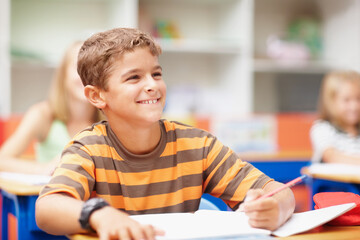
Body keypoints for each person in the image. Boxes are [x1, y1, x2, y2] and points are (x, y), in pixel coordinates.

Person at [35, 28, 295, 240]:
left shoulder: (197, 145)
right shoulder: (88, 148)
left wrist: (277, 207)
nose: (152, 85)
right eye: (134, 78)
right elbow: (47, 209)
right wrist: (99, 215)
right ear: (97, 95)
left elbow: (279, 192)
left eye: (156, 74)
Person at [0, 41, 103, 175]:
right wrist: (44, 168)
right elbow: (2, 160)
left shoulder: (109, 119)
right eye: (78, 68)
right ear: (63, 75)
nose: (86, 77)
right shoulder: (42, 114)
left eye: (94, 69)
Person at [310, 70, 360, 164]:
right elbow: (331, 157)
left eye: (358, 98)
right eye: (347, 100)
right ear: (331, 102)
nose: (355, 106)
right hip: (329, 179)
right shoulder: (323, 128)